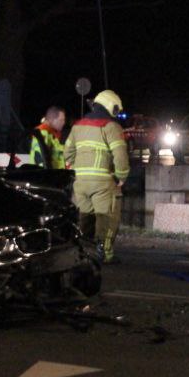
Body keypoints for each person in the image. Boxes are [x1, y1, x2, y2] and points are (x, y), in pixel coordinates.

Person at [64, 89, 130, 264]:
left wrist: (76, 170)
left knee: (83, 218)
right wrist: (121, 176)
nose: (117, 113)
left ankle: (81, 253)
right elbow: (120, 155)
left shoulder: (78, 126)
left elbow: (67, 153)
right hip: (103, 182)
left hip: (80, 183)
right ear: (111, 106)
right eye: (116, 109)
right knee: (107, 218)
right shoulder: (111, 127)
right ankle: (104, 253)